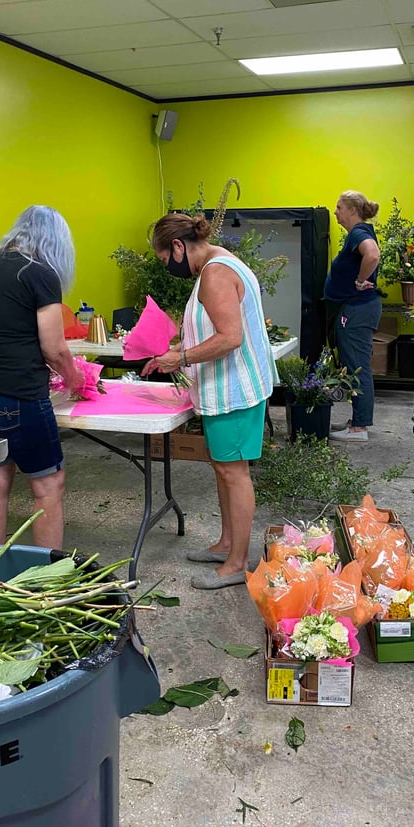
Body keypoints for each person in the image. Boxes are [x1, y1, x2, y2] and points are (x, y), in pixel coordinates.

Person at [141, 213, 276, 590]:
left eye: (166, 259)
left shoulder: (215, 273)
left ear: (179, 247)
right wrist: (182, 347)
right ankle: (227, 544)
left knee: (234, 474)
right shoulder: (221, 263)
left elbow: (230, 337)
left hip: (235, 390)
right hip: (230, 388)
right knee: (224, 468)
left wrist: (179, 358)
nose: (168, 267)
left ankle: (236, 564)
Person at [0, 205, 84, 549]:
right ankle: (46, 578)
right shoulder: (40, 272)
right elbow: (54, 348)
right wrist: (75, 378)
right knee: (48, 484)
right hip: (13, 396)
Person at [324, 191, 382, 443]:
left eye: (338, 207)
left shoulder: (358, 233)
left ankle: (359, 428)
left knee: (358, 366)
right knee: (354, 363)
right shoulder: (357, 234)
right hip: (355, 308)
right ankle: (358, 420)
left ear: (351, 210)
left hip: (357, 309)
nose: (335, 211)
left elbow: (373, 254)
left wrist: (360, 281)